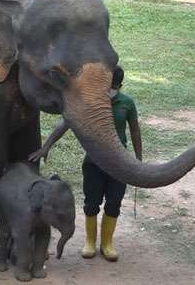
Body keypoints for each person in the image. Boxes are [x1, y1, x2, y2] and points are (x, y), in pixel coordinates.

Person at [28, 65, 142, 262]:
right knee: (91, 203)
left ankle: (107, 243)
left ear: (120, 85)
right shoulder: (91, 103)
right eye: (108, 84)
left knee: (114, 203)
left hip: (120, 164)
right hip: (94, 162)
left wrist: (138, 159)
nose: (111, 89)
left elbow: (135, 130)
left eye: (114, 85)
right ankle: (90, 242)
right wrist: (46, 147)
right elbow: (65, 123)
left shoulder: (127, 103)